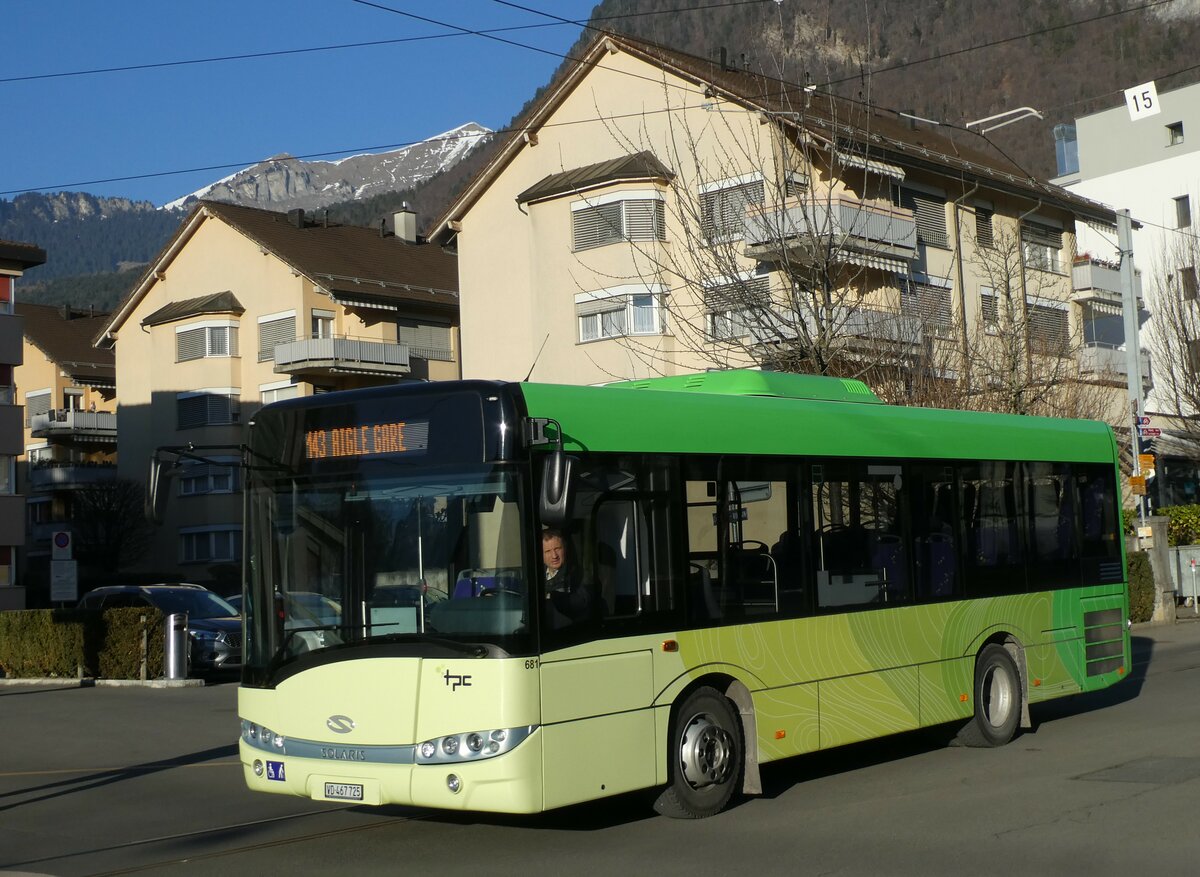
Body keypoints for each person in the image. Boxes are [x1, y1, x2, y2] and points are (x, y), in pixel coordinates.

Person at [542, 527, 596, 628]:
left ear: (565, 548)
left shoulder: (577, 573)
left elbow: (582, 601)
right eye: (548, 551)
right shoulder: (535, 574)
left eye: (557, 549)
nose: (554, 556)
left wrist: (551, 596)